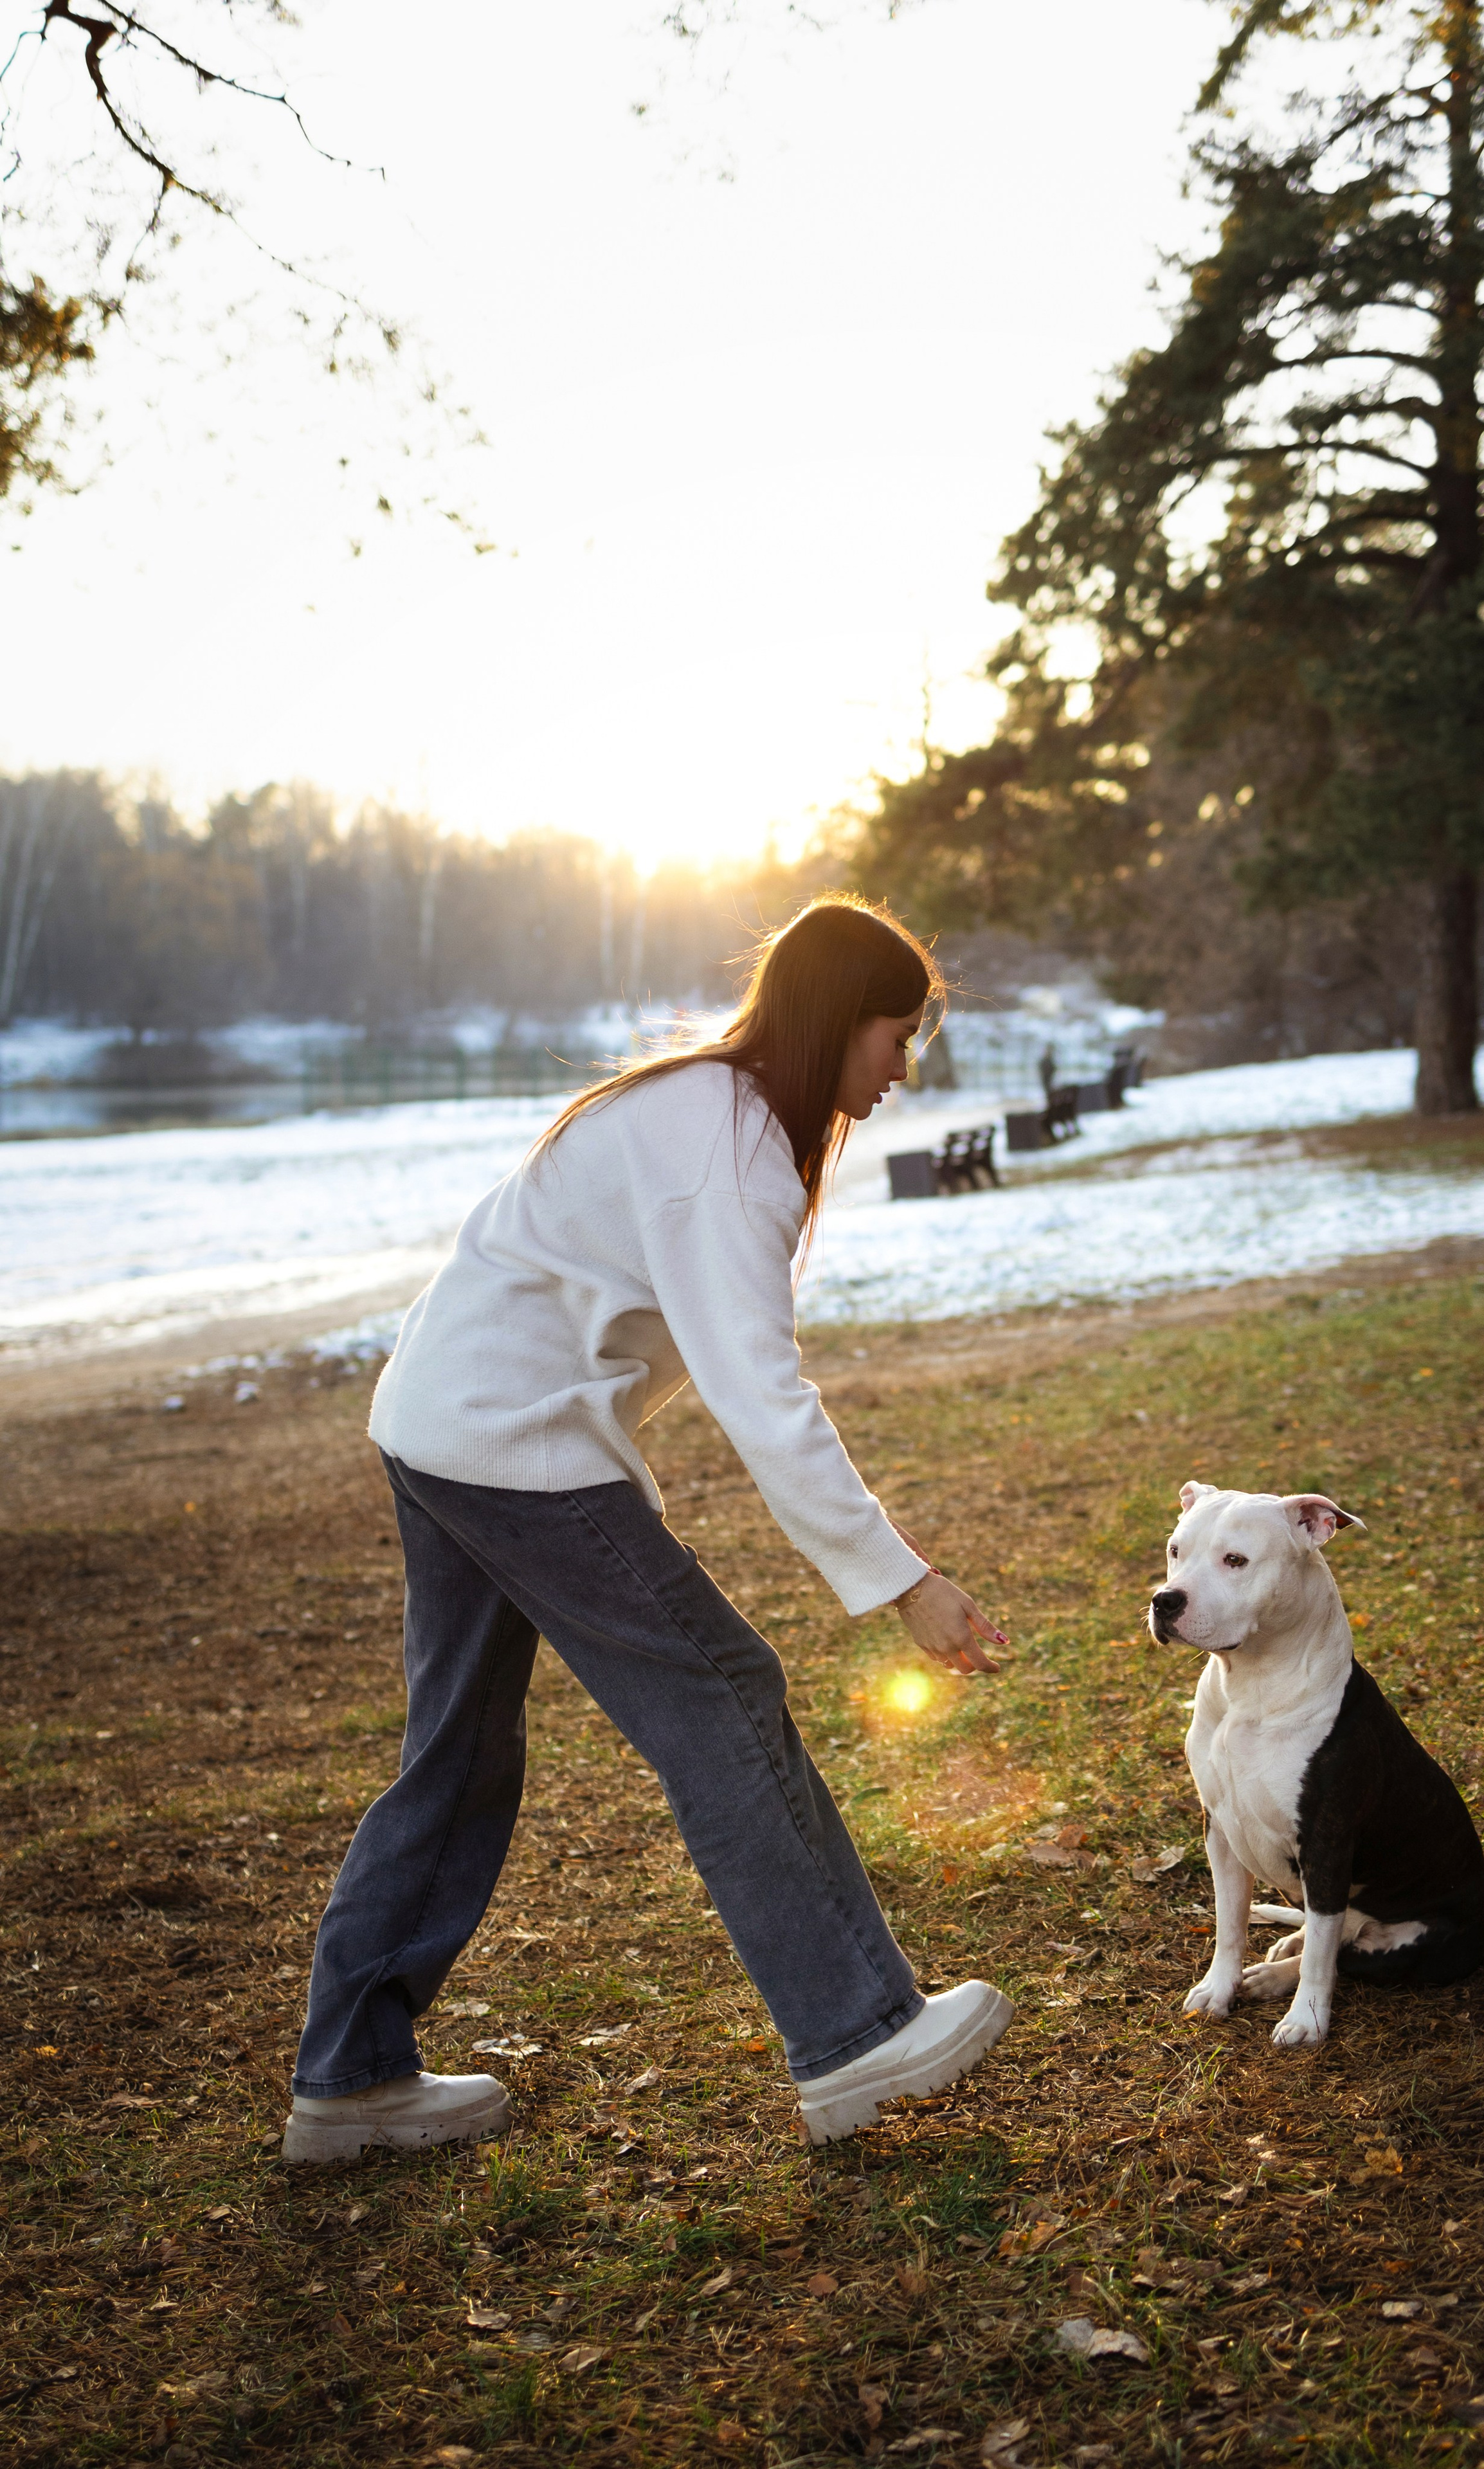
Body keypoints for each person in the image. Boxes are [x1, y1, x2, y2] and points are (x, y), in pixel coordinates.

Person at [282, 896, 1015, 2164]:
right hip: (506, 1445)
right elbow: (760, 1396)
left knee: (456, 1755)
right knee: (723, 1695)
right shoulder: (726, 1153)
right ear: (841, 1021)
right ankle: (855, 2036)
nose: (905, 1066)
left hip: (442, 1423)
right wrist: (906, 1584)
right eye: (898, 1035)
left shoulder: (710, 1112)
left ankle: (350, 2078)